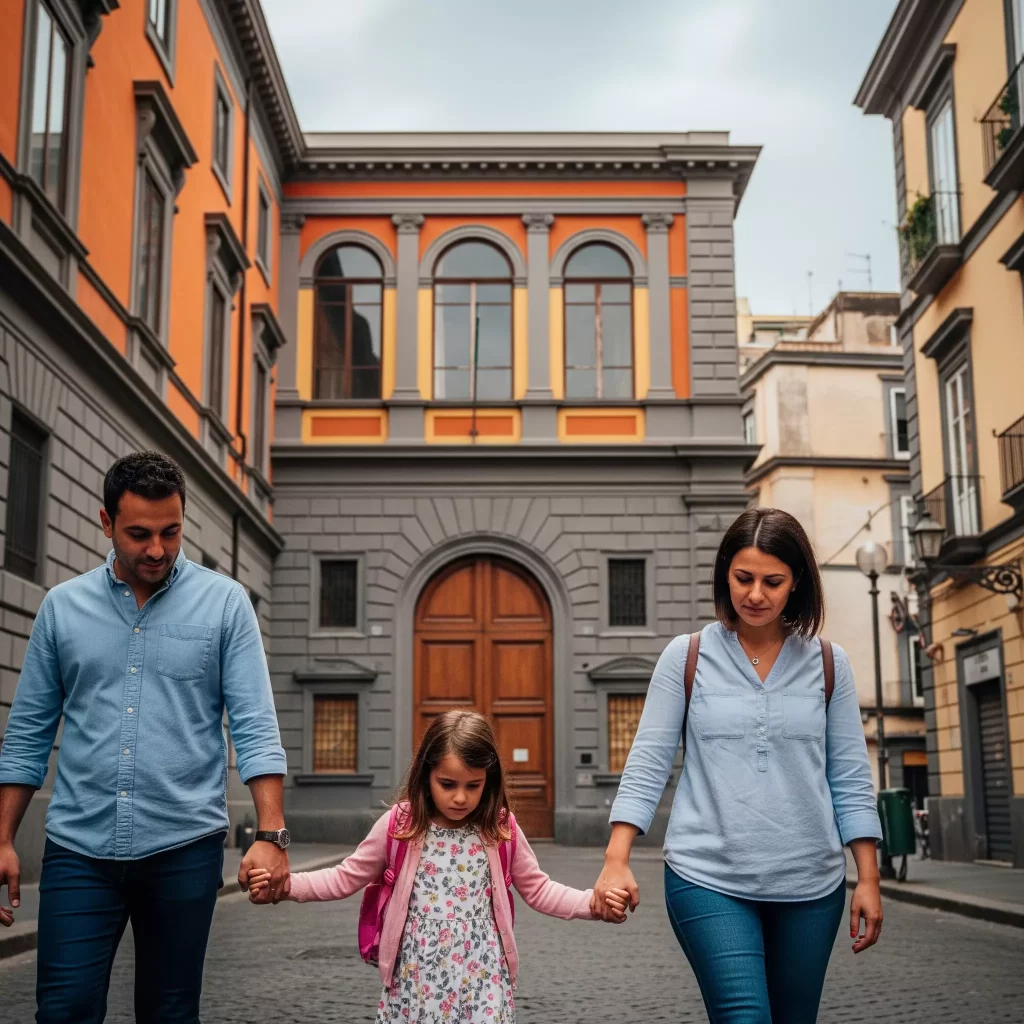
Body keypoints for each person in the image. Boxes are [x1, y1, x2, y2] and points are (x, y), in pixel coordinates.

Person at [0, 451, 290, 1023]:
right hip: (79, 849)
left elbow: (254, 720)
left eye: (170, 531)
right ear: (107, 524)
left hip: (183, 845)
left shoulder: (225, 604)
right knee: (63, 1010)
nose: (157, 549)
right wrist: (4, 837)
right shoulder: (62, 609)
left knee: (169, 1012)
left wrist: (272, 834)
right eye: (139, 534)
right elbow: (28, 731)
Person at [591, 507, 884, 1024]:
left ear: (796, 584)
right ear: (725, 574)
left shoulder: (829, 663)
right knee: (744, 1016)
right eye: (743, 578)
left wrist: (868, 877)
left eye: (773, 581)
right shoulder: (687, 656)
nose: (755, 594)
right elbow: (648, 762)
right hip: (708, 876)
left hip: (811, 886)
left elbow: (850, 775)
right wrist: (617, 858)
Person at [248, 710, 629, 1024]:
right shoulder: (400, 824)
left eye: (473, 785)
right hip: (417, 979)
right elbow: (345, 877)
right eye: (447, 784)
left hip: (483, 977)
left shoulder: (500, 828)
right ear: (425, 774)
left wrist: (591, 904)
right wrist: (286, 886)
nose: (460, 797)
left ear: (489, 781)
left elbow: (539, 889)